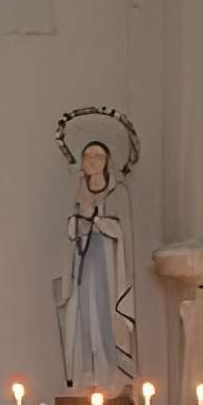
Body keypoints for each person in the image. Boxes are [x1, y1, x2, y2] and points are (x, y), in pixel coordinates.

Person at [57, 137, 131, 389]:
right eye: (87, 156)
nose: (91, 161)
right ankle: (88, 372)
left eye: (98, 156)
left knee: (106, 311)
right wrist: (83, 218)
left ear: (107, 161)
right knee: (84, 312)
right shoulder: (79, 191)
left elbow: (123, 230)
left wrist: (96, 220)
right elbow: (71, 228)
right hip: (84, 263)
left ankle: (111, 372)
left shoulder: (117, 192)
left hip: (108, 264)